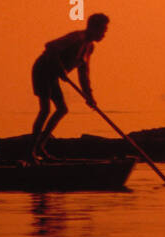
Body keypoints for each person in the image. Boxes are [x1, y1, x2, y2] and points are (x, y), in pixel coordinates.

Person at [29, 13, 108, 162]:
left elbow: (84, 75)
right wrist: (60, 69)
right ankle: (30, 150)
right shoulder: (77, 38)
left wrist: (89, 97)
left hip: (52, 76)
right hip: (42, 70)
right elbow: (50, 46)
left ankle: (40, 146)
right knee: (45, 110)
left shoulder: (89, 48)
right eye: (102, 30)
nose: (104, 34)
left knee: (62, 109)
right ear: (93, 28)